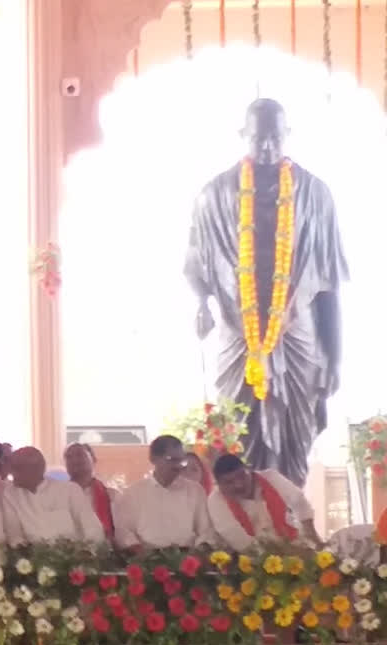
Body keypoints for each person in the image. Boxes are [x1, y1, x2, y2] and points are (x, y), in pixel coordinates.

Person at [186, 98, 347, 487]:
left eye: (276, 137)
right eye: (259, 138)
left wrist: (334, 357)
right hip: (236, 333)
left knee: (296, 431)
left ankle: (290, 525)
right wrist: (202, 301)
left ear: (287, 135)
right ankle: (243, 528)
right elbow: (195, 262)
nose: (268, 147)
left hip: (298, 334)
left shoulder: (314, 195)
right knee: (237, 430)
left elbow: (328, 287)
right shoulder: (214, 194)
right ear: (244, 135)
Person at [113, 435, 214, 552]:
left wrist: (200, 551)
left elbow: (206, 530)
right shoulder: (133, 493)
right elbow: (123, 531)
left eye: (181, 460)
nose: (178, 466)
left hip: (187, 557)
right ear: (154, 459)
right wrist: (139, 552)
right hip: (146, 557)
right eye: (172, 459)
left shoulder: (195, 491)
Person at [208, 454, 322, 551]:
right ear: (218, 485)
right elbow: (238, 539)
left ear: (249, 470)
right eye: (229, 482)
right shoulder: (216, 500)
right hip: (248, 560)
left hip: (291, 544)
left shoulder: (270, 477)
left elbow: (299, 501)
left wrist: (312, 536)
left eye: (241, 476)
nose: (239, 484)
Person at [2, 446, 105, 546]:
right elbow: (14, 536)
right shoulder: (11, 495)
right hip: (33, 559)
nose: (11, 472)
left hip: (76, 557)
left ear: (36, 469)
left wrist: (86, 554)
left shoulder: (69, 490)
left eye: (16, 468)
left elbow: (93, 529)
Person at [63, 442, 117, 541]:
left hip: (104, 551)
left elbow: (122, 529)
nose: (74, 460)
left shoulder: (112, 495)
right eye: (69, 457)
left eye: (79, 454)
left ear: (94, 459)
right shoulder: (59, 495)